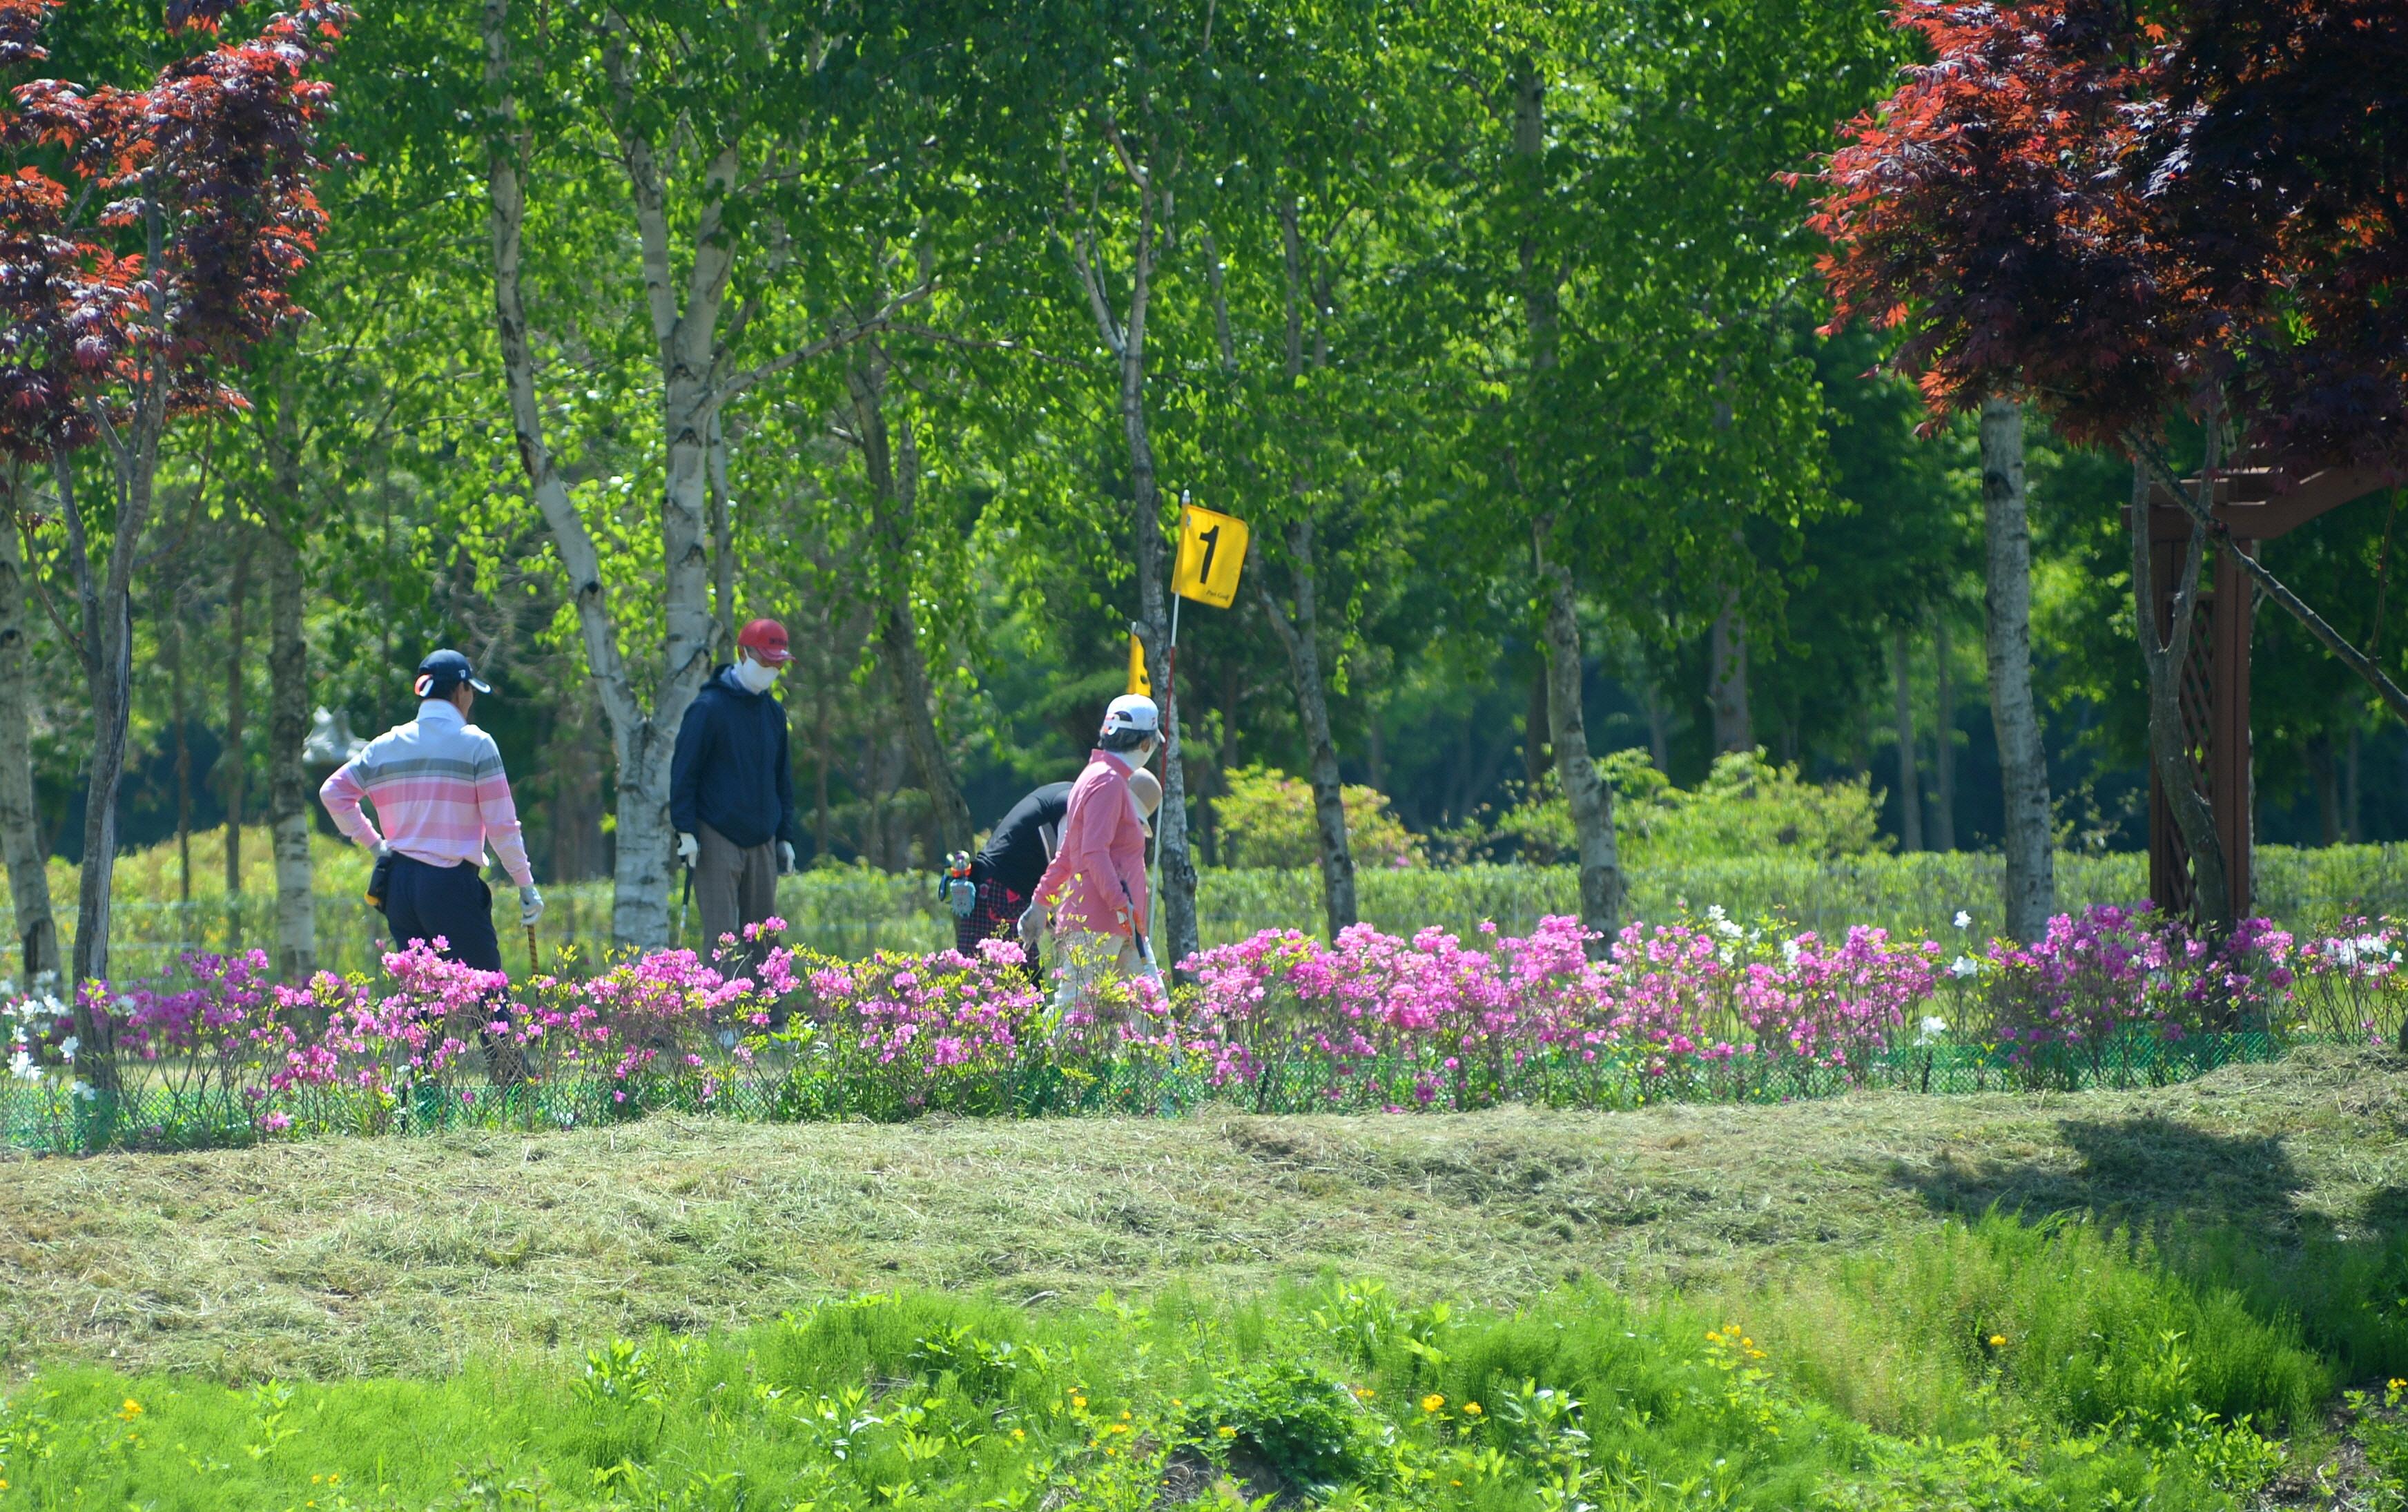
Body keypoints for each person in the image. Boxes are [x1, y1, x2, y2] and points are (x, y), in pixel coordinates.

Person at [319, 649, 543, 973]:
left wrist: (375, 845)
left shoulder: (386, 744)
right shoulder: (477, 744)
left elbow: (333, 792)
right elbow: (502, 826)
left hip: (398, 887)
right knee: (488, 1003)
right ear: (460, 690)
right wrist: (525, 884)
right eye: (470, 693)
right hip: (450, 884)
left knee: (421, 1014)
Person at [670, 618, 802, 959]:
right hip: (717, 837)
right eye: (764, 660)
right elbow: (685, 774)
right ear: (742, 654)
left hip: (763, 841)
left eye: (777, 663)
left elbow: (781, 781)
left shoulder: (773, 714)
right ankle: (721, 1015)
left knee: (765, 941)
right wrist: (685, 831)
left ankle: (771, 1015)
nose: (771, 669)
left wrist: (785, 836)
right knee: (723, 940)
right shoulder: (707, 709)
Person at [1024, 695, 1164, 1006]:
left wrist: (1041, 901)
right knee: (1075, 1016)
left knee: (1149, 1009)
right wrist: (1121, 903)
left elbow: (1067, 855)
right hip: (1103, 921)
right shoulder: (1109, 782)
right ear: (1145, 745)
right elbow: (1093, 853)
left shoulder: (1092, 776)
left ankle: (1167, 1058)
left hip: (1120, 923)